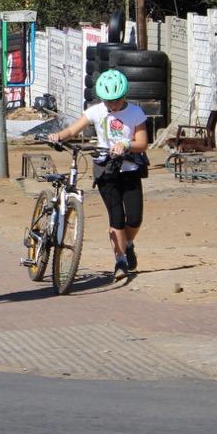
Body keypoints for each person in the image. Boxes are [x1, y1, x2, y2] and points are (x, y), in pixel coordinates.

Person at [49, 68, 149, 280]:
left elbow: (142, 143)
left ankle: (128, 243)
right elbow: (72, 131)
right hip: (106, 169)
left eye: (116, 100)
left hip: (130, 170)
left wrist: (126, 144)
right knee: (117, 218)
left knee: (135, 217)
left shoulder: (135, 113)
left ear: (124, 96)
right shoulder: (96, 111)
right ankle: (120, 261)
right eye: (108, 101)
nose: (112, 105)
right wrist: (58, 136)